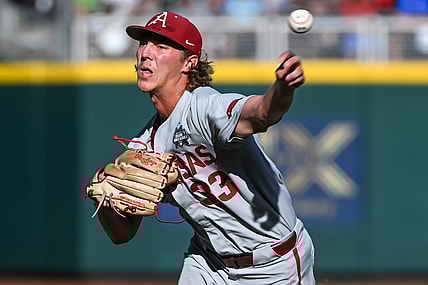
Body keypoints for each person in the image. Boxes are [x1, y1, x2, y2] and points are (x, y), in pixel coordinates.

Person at [92, 11, 315, 285]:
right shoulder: (144, 144)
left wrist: (283, 89)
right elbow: (121, 234)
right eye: (144, 44)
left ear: (189, 63)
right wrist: (102, 197)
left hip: (272, 264)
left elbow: (260, 114)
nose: (146, 53)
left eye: (161, 46)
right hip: (207, 263)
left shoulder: (204, 108)